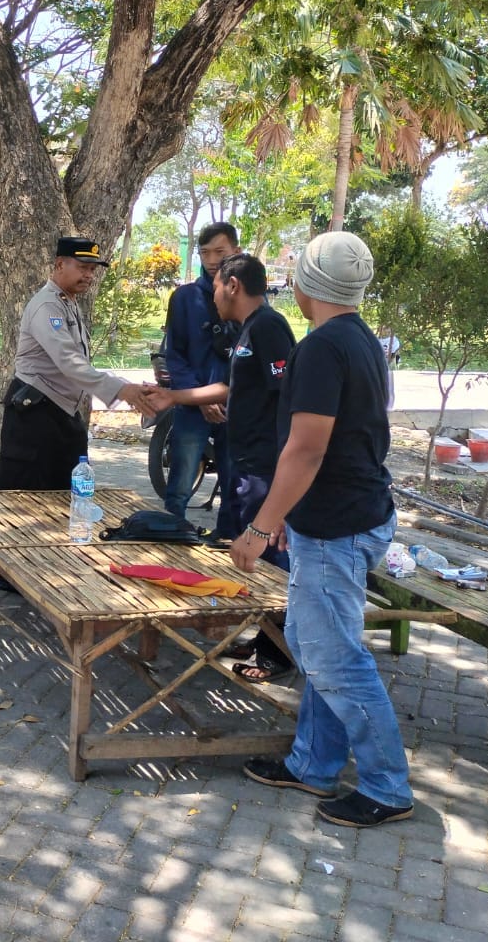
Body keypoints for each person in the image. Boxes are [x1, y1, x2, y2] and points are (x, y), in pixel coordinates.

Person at [234, 231, 413, 829]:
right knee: (318, 649)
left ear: (308, 283)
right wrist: (291, 517)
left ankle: (387, 786)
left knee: (336, 657)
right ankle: (313, 763)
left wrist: (262, 526)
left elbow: (305, 451)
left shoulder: (321, 349)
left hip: (339, 523)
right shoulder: (359, 339)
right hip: (346, 514)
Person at [141, 253, 296, 680]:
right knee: (257, 560)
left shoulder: (269, 327)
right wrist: (175, 397)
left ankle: (280, 653)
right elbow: (230, 387)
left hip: (265, 467)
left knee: (272, 561)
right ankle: (267, 636)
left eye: (216, 285)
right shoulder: (248, 330)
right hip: (245, 464)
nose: (211, 292)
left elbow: (286, 395)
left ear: (232, 285)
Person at [0, 235, 148, 493]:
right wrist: (121, 389)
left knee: (69, 495)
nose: (89, 275)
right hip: (36, 415)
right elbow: (69, 362)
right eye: (82, 268)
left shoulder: (66, 302)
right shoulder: (47, 305)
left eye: (91, 270)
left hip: (62, 413)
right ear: (59, 265)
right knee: (27, 502)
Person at [160, 223, 241, 522]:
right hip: (192, 407)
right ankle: (170, 534)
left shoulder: (249, 297)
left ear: (236, 252)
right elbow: (175, 355)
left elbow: (252, 357)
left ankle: (228, 538)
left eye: (219, 252)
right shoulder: (184, 298)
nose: (211, 260)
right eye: (204, 253)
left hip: (235, 407)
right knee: (179, 485)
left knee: (235, 484)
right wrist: (199, 398)